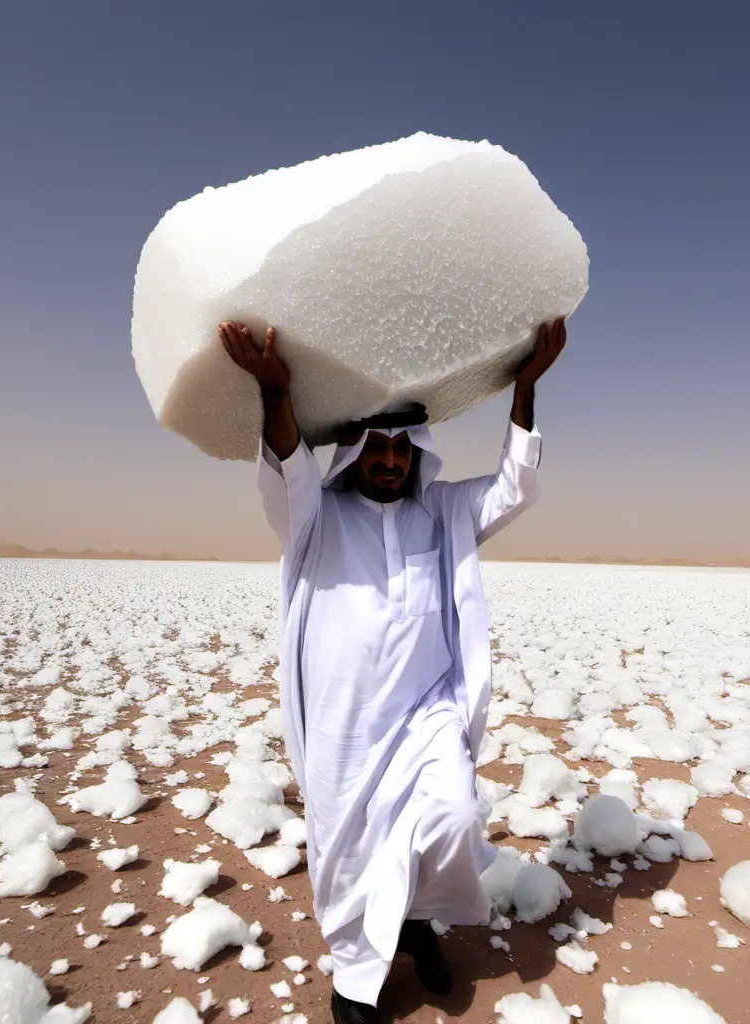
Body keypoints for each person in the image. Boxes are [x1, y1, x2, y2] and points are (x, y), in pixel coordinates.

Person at [220, 318, 567, 1024]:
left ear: (417, 454)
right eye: (374, 448)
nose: (388, 460)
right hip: (347, 726)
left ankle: (412, 922)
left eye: (400, 449)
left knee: (451, 815)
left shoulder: (442, 510)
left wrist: (524, 388)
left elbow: (513, 489)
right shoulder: (317, 517)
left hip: (426, 712)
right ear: (353, 455)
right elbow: (287, 471)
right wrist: (274, 392)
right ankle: (355, 979)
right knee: (348, 857)